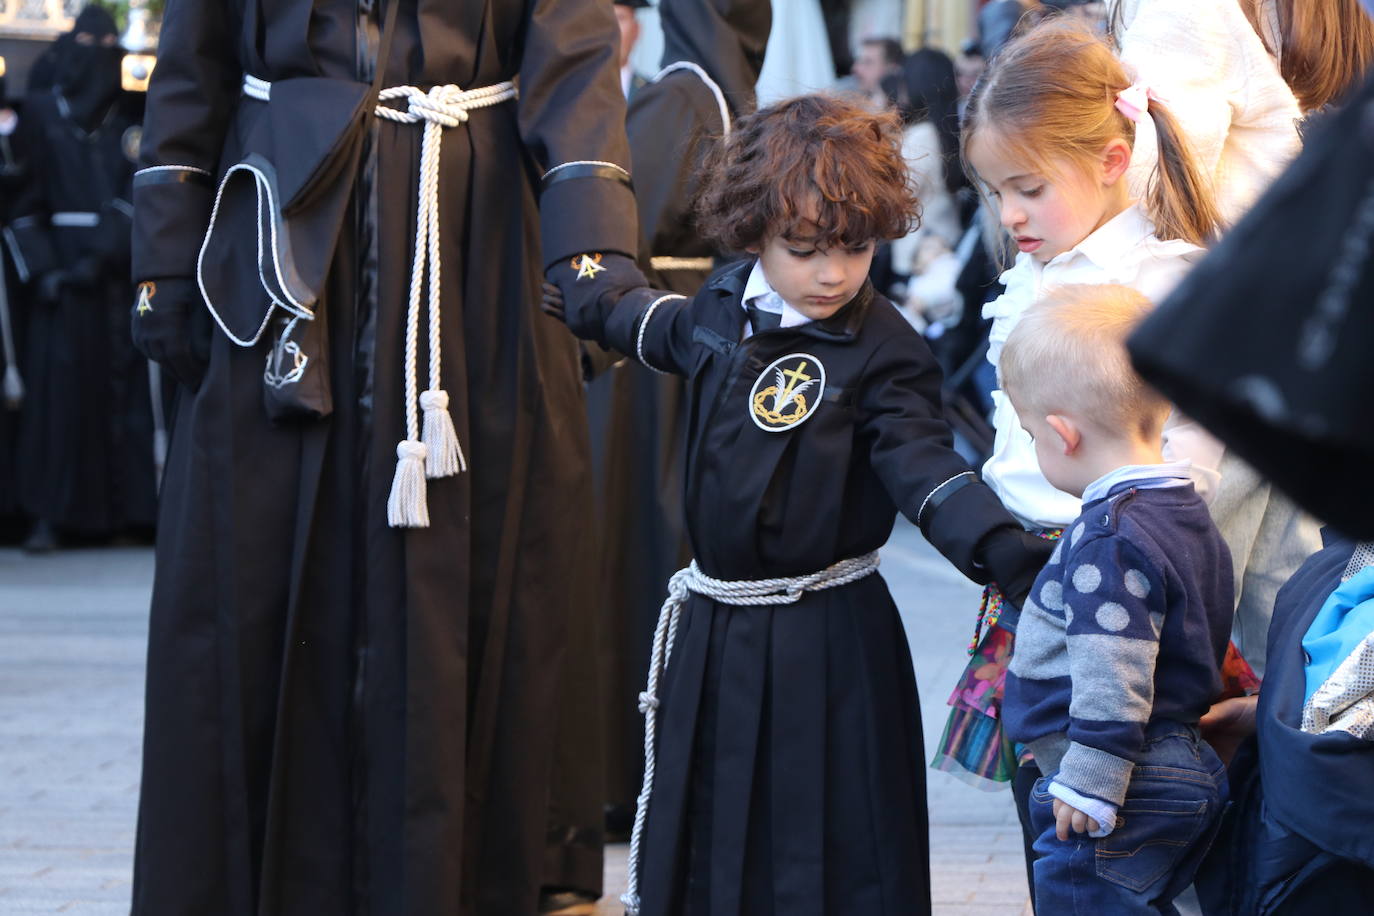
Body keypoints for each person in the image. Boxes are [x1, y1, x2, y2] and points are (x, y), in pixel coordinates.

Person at [127, 0, 639, 912]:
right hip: (280, 232)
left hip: (473, 242)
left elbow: (576, 59)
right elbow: (190, 61)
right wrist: (165, 252)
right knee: (260, 551)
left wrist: (593, 251)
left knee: (476, 551)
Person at [545, 92, 1051, 916]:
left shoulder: (885, 348)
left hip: (829, 637)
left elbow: (924, 464)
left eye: (853, 250)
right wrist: (589, 295)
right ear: (752, 232)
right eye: (806, 248)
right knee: (713, 833)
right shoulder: (721, 303)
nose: (831, 273)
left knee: (823, 842)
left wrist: (999, 546)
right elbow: (653, 325)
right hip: (713, 629)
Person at [933, 16, 1222, 901]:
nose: (1009, 214)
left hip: (1120, 593)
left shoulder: (1160, 279)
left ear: (1108, 157)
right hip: (1029, 584)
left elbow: (1195, 460)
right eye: (992, 192)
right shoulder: (1031, 273)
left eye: (1027, 186)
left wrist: (1110, 540)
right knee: (1045, 819)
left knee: (1109, 834)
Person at [590, 0, 771, 845]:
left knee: (634, 555)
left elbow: (627, 217)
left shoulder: (681, 96)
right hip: (702, 345)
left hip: (649, 362)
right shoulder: (732, 90)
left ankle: (626, 770)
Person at [999, 284, 1232, 915]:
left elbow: (1114, 666)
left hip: (1122, 781)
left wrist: (1092, 779)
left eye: (1029, 435)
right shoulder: (1184, 510)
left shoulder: (1110, 536)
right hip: (1176, 760)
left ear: (1062, 434)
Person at [7, 6, 152, 553]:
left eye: (107, 41)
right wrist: (45, 271)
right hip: (59, 288)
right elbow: (23, 198)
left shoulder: (130, 117)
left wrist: (102, 255)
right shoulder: (44, 115)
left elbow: (135, 190)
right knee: (57, 403)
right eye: (88, 40)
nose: (99, 52)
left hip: (113, 278)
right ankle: (50, 514)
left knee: (120, 397)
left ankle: (121, 512)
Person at [850, 35, 903, 109]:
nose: (855, 68)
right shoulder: (851, 100)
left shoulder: (903, 112)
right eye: (858, 61)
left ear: (892, 69)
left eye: (867, 62)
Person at [615, 0, 651, 99]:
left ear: (636, 30)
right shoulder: (575, 92)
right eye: (603, 20)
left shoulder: (653, 94)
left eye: (620, 18)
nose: (612, 29)